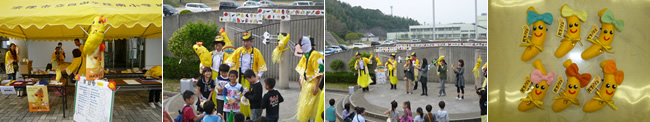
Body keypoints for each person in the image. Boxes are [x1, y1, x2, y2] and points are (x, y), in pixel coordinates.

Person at [225, 32, 267, 118]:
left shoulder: (256, 52)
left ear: (251, 42)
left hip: (251, 79)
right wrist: (226, 68)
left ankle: (249, 115)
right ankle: (241, 115)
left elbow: (262, 64)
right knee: (240, 94)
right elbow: (231, 61)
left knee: (250, 95)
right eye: (244, 41)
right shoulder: (238, 51)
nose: (245, 43)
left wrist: (259, 75)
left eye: (247, 41)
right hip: (240, 77)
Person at [295, 36, 324, 121]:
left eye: (302, 46)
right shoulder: (306, 55)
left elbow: (320, 70)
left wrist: (316, 86)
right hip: (306, 83)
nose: (301, 48)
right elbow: (302, 68)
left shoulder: (316, 55)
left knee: (308, 107)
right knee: (304, 106)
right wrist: (300, 80)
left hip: (312, 84)